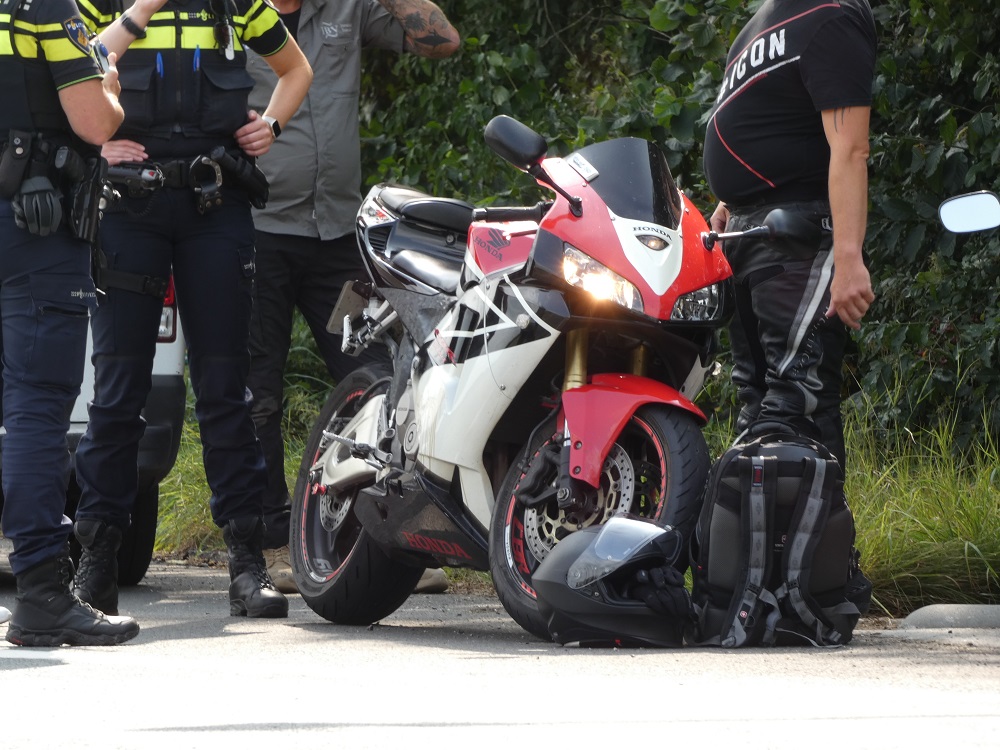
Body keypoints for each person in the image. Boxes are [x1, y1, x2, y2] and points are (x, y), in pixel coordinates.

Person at [70, 0, 312, 619]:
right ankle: (95, 563)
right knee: (119, 390)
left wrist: (273, 127)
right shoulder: (106, 6)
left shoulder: (236, 6)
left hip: (215, 208)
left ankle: (245, 564)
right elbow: (76, 73)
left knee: (225, 388)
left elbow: (296, 70)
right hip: (130, 210)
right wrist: (98, 147)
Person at [243, 0, 459, 594]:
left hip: (334, 233)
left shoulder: (348, 7)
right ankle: (268, 548)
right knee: (257, 389)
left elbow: (442, 41)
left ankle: (378, 540)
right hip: (255, 228)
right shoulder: (232, 11)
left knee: (373, 377)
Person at [1, 0, 144, 646]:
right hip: (35, 231)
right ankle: (42, 593)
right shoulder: (43, 9)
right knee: (36, 405)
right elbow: (93, 122)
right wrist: (109, 83)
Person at [703, 0, 877, 466]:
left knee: (796, 402)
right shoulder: (754, 31)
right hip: (745, 233)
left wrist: (848, 257)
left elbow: (851, 148)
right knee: (755, 405)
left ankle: (822, 540)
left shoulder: (830, 16)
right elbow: (771, 118)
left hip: (797, 234)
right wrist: (730, 201)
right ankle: (756, 539)